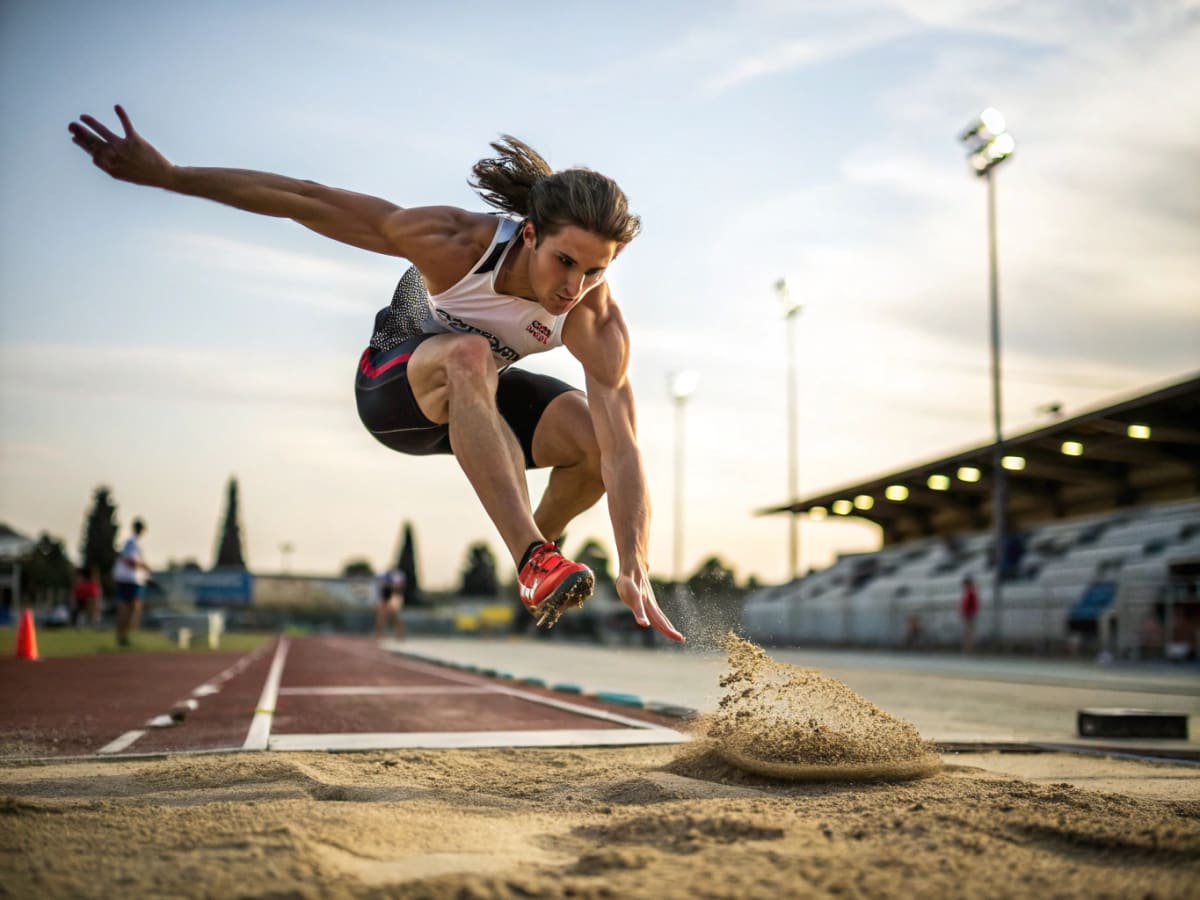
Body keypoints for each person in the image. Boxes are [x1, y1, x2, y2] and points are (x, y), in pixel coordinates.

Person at [69, 105, 683, 642]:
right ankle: (531, 555)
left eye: (595, 272)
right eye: (564, 262)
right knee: (468, 352)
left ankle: (535, 556)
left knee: (593, 436)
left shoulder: (596, 320)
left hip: (480, 410)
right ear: (529, 235)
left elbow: (623, 453)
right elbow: (304, 199)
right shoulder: (454, 242)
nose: (574, 288)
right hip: (397, 392)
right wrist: (171, 176)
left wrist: (635, 563)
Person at [113, 518, 150, 647]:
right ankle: (123, 636)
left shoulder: (130, 542)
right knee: (131, 608)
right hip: (130, 580)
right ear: (142, 529)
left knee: (128, 607)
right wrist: (145, 566)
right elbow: (131, 562)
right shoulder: (133, 542)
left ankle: (122, 636)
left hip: (126, 579)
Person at [375, 568, 406, 640]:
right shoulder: (383, 576)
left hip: (394, 597)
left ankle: (400, 635)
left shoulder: (397, 576)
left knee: (395, 617)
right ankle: (378, 635)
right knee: (380, 617)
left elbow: (399, 587)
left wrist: (389, 585)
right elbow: (380, 586)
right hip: (384, 598)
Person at [959, 576, 979, 654]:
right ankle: (967, 648)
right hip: (967, 614)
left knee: (969, 633)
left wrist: (970, 612)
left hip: (969, 615)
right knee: (967, 633)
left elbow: (974, 604)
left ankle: (969, 649)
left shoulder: (971, 592)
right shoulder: (967, 592)